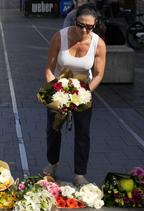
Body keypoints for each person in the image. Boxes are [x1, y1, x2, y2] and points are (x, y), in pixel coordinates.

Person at [43, 3, 106, 185]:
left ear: (95, 25)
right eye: (80, 25)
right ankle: (52, 164)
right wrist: (57, 93)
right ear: (74, 20)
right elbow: (49, 69)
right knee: (53, 129)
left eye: (89, 27)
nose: (84, 30)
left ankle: (80, 174)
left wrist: (82, 95)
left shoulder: (98, 44)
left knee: (83, 132)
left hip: (84, 91)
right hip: (58, 88)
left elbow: (99, 74)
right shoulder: (59, 37)